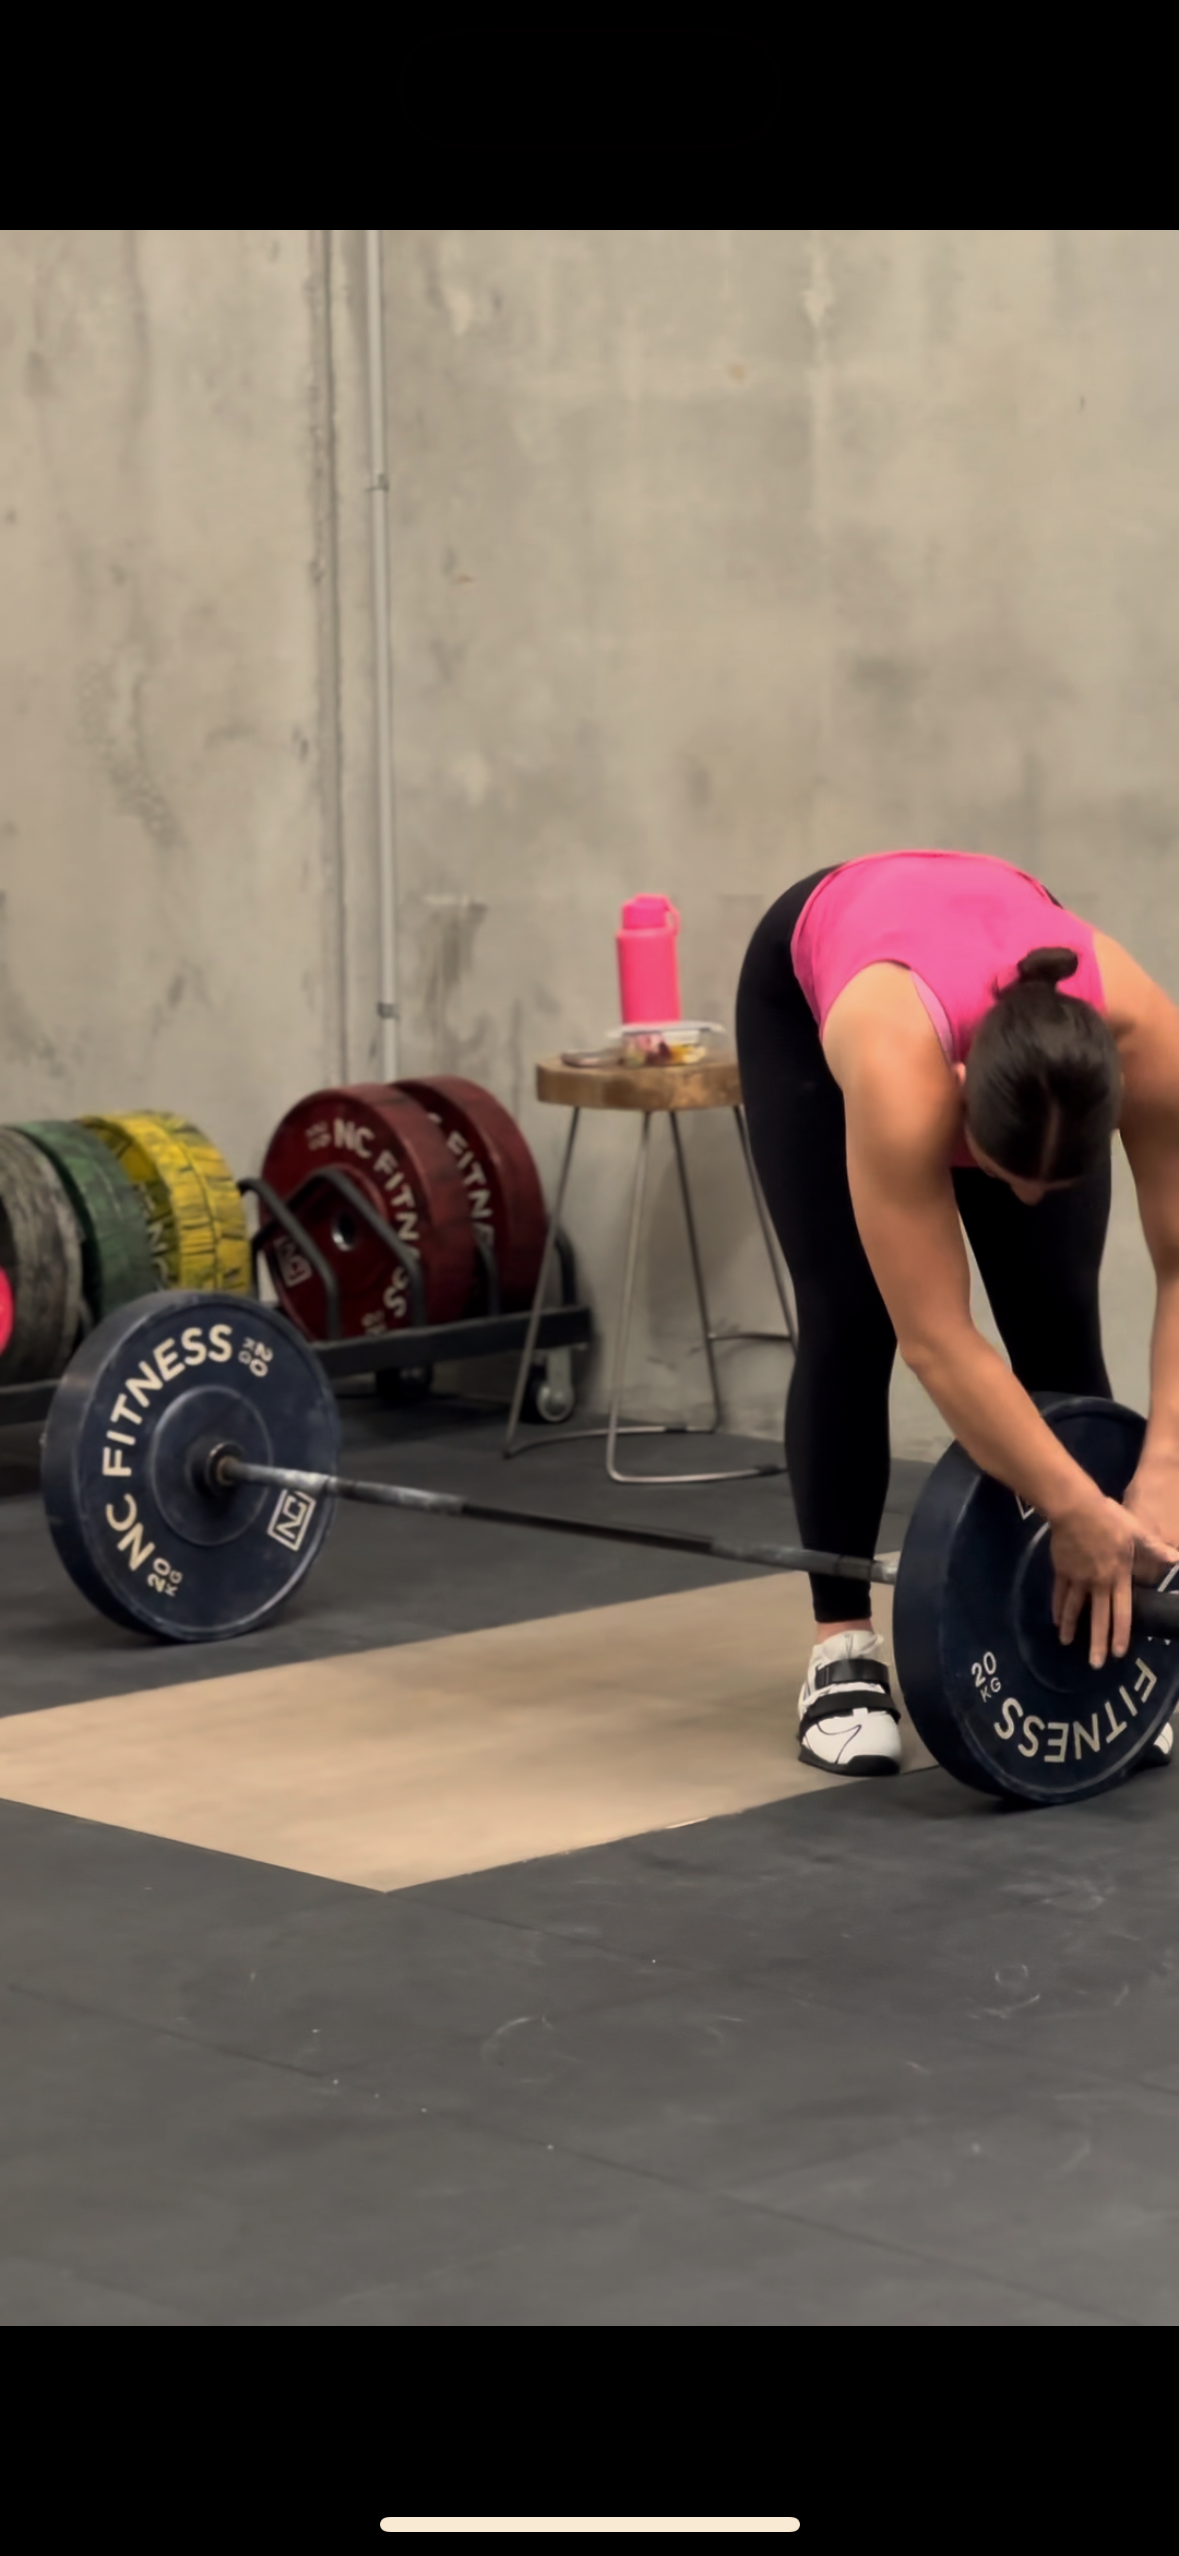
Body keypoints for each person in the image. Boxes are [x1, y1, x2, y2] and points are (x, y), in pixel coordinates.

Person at [735, 848, 1179, 1777]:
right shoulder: (899, 1069)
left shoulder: (1147, 1038)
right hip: (822, 971)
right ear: (963, 1089)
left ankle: (1098, 1624)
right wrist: (1068, 1501)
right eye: (1005, 1173)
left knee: (1057, 1320)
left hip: (996, 983)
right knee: (849, 1316)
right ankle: (840, 1647)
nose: (1021, 1199)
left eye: (1048, 1179)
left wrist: (1159, 1482)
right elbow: (935, 1341)